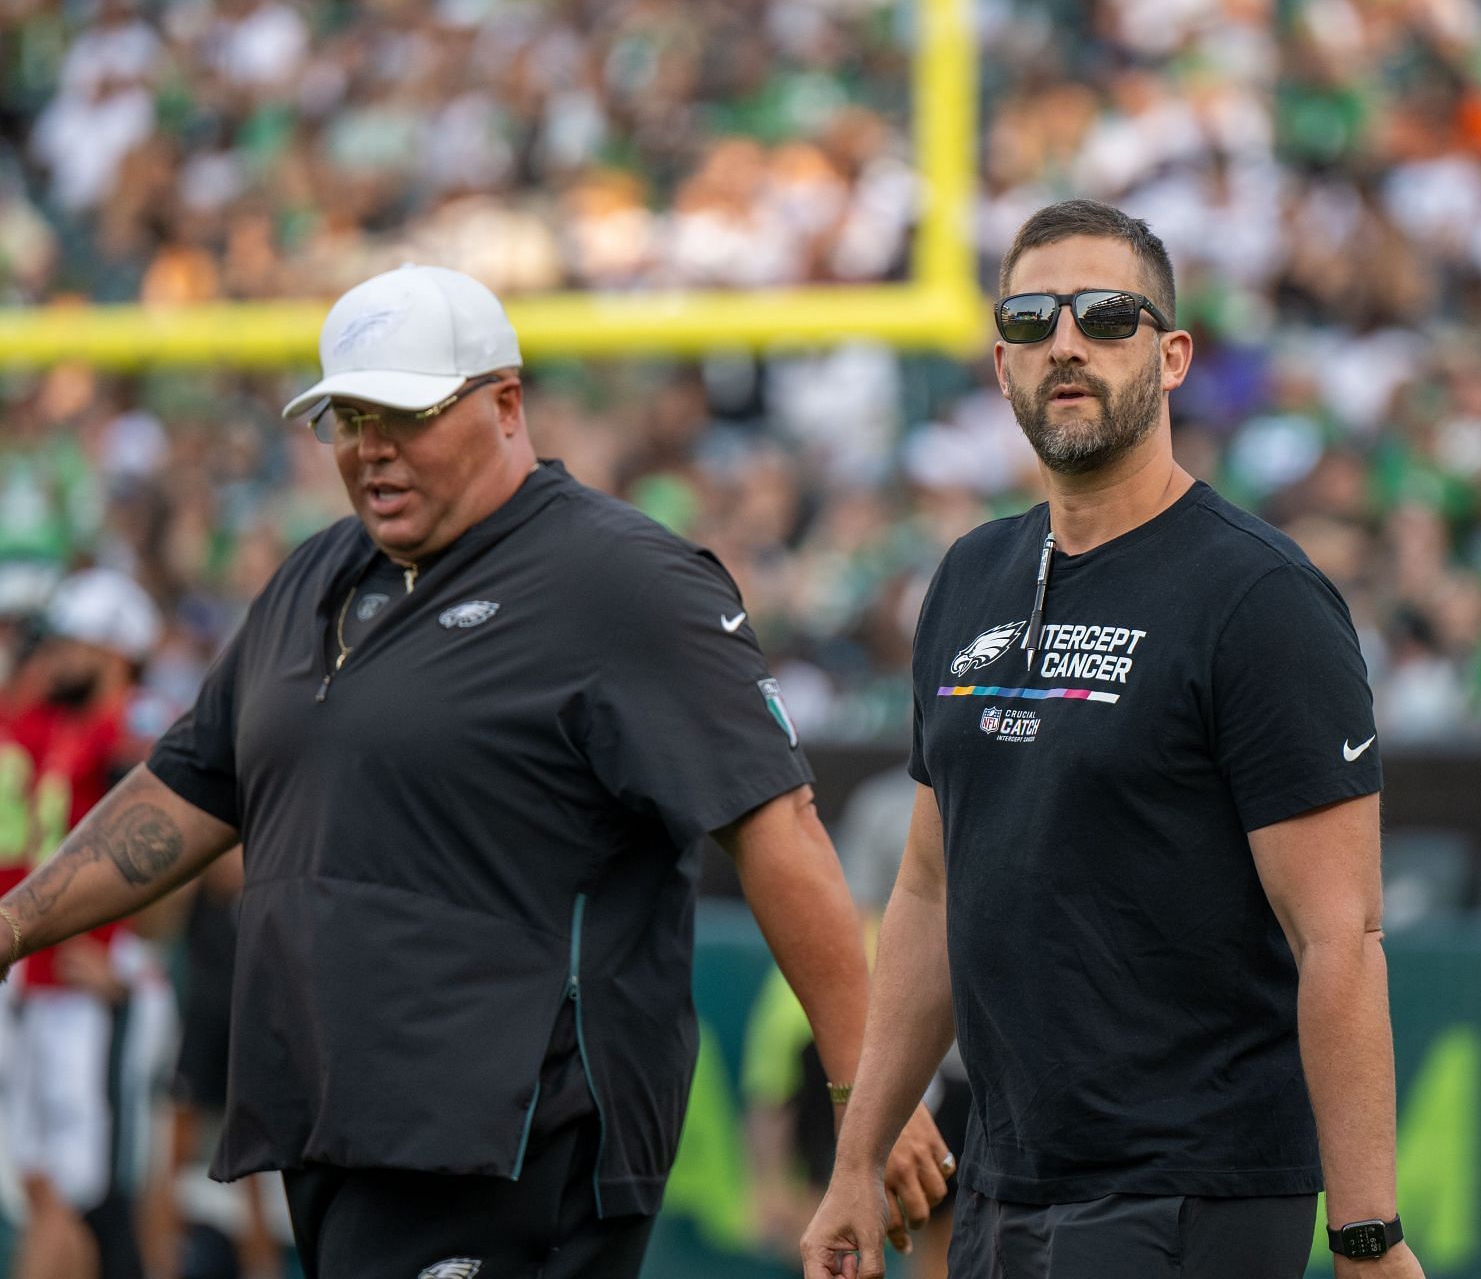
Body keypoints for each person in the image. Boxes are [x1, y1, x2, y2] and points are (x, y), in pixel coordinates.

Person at [0, 263, 951, 1277]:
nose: (372, 448)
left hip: (518, 1143)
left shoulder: (619, 579)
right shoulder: (311, 577)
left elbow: (778, 827)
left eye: (404, 415)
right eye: (349, 418)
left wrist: (866, 1103)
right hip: (343, 1128)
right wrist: (15, 923)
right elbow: (192, 783)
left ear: (506, 403)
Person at [802, 200, 1427, 1279]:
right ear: (1001, 363)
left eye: (1106, 315)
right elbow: (930, 890)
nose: (1067, 344)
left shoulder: (1259, 597)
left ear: (1173, 354)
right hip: (1005, 1186)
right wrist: (858, 1157)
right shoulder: (965, 577)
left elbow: (1342, 939)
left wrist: (1367, 1236)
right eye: (1033, 318)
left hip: (1193, 1189)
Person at [0, 567, 172, 1279]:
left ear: (112, 651)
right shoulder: (69, 725)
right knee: (49, 1187)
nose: (53, 657)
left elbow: (173, 860)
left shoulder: (136, 726)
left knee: (103, 1190)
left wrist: (131, 958)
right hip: (47, 984)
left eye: (71, 642)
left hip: (97, 988)